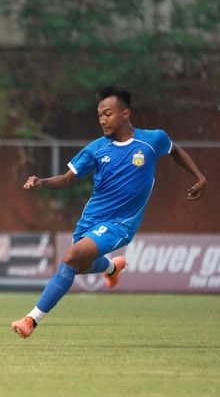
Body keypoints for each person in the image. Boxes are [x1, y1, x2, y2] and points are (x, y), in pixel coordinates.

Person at [11, 85, 207, 339]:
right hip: (90, 220)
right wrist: (42, 182)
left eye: (108, 113)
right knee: (78, 266)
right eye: (100, 115)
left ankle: (31, 320)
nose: (102, 120)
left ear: (125, 114)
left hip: (120, 224)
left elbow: (174, 149)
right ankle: (112, 268)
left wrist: (200, 177)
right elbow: (69, 178)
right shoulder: (96, 149)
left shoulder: (151, 141)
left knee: (71, 258)